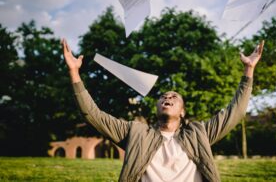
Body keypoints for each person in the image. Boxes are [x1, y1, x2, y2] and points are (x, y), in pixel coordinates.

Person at [62, 39, 264, 182]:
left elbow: (234, 113)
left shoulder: (199, 133)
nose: (167, 97)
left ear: (183, 112)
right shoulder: (136, 133)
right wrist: (74, 72)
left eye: (174, 97)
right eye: (163, 97)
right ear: (157, 107)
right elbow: (93, 114)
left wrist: (249, 70)